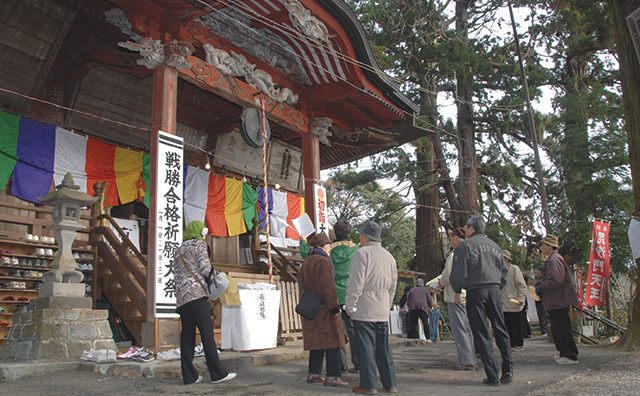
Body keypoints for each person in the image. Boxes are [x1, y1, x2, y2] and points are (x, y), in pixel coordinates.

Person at [450, 214, 513, 386]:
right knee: (501, 329)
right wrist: (498, 287)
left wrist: (457, 289)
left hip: (475, 291)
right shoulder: (495, 246)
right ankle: (508, 369)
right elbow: (504, 273)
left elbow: (458, 274)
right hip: (494, 290)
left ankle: (492, 375)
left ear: (471, 228)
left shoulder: (465, 246)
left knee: (481, 333)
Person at [174, 220, 236, 385]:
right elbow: (205, 268)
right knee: (207, 335)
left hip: (182, 299)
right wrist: (219, 276)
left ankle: (190, 376)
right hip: (196, 296)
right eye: (203, 232)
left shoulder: (179, 249)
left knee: (187, 337)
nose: (204, 235)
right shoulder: (199, 245)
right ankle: (217, 373)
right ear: (199, 232)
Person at [345, 220, 398, 395]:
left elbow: (355, 283)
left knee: (366, 348)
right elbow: (393, 286)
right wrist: (387, 305)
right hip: (382, 308)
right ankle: (390, 383)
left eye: (361, 233)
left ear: (366, 237)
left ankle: (368, 384)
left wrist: (350, 304)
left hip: (365, 308)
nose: (359, 236)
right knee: (383, 348)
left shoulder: (362, 254)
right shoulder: (389, 256)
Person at [301, 220, 360, 373]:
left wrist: (302, 241)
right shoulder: (355, 249)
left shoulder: (328, 249)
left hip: (333, 294)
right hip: (350, 293)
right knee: (353, 331)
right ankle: (358, 362)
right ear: (349, 233)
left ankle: (342, 365)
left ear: (335, 232)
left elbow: (306, 253)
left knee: (337, 330)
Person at [299, 233, 349, 387]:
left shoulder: (307, 261)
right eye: (328, 246)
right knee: (332, 340)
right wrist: (334, 308)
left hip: (310, 306)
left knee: (316, 342)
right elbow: (328, 287)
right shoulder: (322, 261)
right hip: (324, 308)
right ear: (321, 247)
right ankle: (333, 376)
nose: (330, 249)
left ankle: (314, 374)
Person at [439, 227, 476, 371]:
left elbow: (449, 273)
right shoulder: (470, 252)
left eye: (451, 238)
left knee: (459, 328)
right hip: (465, 294)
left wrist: (441, 281)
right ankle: (470, 357)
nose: (450, 241)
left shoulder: (456, 254)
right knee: (466, 328)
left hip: (456, 294)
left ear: (456, 239)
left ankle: (466, 359)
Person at [539, 235, 579, 365]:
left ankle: (570, 354)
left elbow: (556, 280)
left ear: (549, 246)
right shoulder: (552, 259)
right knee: (558, 327)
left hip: (559, 299)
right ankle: (563, 352)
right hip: (556, 299)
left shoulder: (554, 259)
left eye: (543, 245)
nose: (541, 248)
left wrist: (542, 286)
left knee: (562, 327)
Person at [501, 250, 528, 351]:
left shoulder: (514, 269)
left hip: (514, 301)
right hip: (503, 302)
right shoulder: (497, 270)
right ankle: (510, 344)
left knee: (516, 324)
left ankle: (519, 344)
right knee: (506, 324)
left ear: (507, 259)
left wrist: (521, 298)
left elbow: (522, 285)